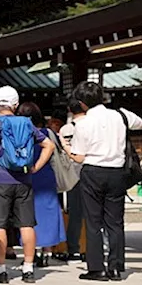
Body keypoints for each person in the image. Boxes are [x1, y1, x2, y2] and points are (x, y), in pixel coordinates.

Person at [66, 81, 142, 282]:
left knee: (93, 221)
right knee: (115, 221)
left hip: (93, 170)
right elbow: (140, 123)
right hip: (117, 172)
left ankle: (96, 268)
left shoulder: (82, 124)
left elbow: (79, 156)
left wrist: (66, 148)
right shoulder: (120, 115)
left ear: (82, 103)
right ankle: (116, 266)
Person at [0, 86, 55, 284]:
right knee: (27, 224)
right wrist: (35, 167)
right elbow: (49, 145)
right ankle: (28, 268)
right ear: (16, 105)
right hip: (24, 179)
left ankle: (1, 269)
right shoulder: (28, 125)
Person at [18, 102, 66, 268]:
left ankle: (34, 251)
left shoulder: (20, 133)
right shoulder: (48, 133)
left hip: (27, 174)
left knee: (30, 214)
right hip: (46, 174)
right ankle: (47, 251)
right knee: (49, 212)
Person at [58, 100, 89, 260]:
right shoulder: (92, 124)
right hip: (92, 170)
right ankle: (89, 247)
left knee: (74, 212)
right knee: (92, 212)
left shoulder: (66, 129)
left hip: (72, 174)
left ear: (70, 110)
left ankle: (73, 247)